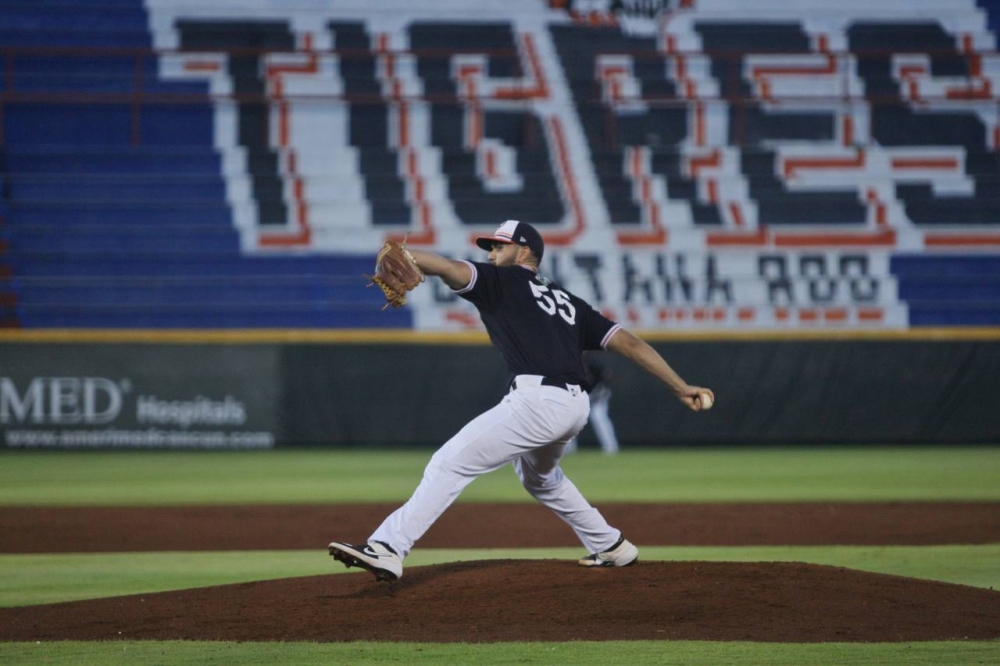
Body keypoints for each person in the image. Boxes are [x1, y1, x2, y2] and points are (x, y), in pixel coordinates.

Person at [329, 220, 714, 582]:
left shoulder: (503, 281)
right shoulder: (569, 302)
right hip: (574, 406)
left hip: (539, 401)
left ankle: (387, 547)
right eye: (490, 247)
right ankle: (611, 545)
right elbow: (629, 342)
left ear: (524, 250)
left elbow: (446, 268)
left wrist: (407, 257)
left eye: (500, 245)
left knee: (450, 462)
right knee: (539, 478)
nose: (492, 252)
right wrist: (680, 386)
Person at [565, 356, 620, 455]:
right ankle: (569, 448)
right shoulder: (570, 365)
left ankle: (610, 446)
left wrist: (602, 390)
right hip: (579, 397)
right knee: (571, 420)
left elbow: (607, 375)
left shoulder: (592, 363)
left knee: (599, 418)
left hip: (596, 396)